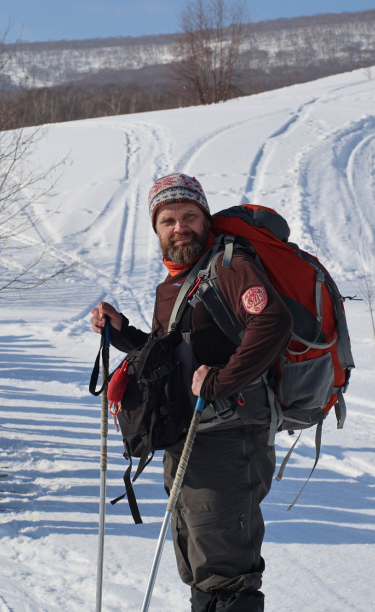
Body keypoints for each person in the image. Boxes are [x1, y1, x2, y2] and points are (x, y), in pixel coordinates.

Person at [90, 173, 293, 612]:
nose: (179, 227)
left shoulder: (229, 265)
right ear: (157, 229)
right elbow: (171, 358)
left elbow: (273, 321)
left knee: (227, 576)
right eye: (168, 220)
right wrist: (123, 332)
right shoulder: (177, 283)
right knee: (203, 567)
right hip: (193, 437)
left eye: (189, 216)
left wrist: (221, 382)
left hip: (228, 437)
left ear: (205, 219)